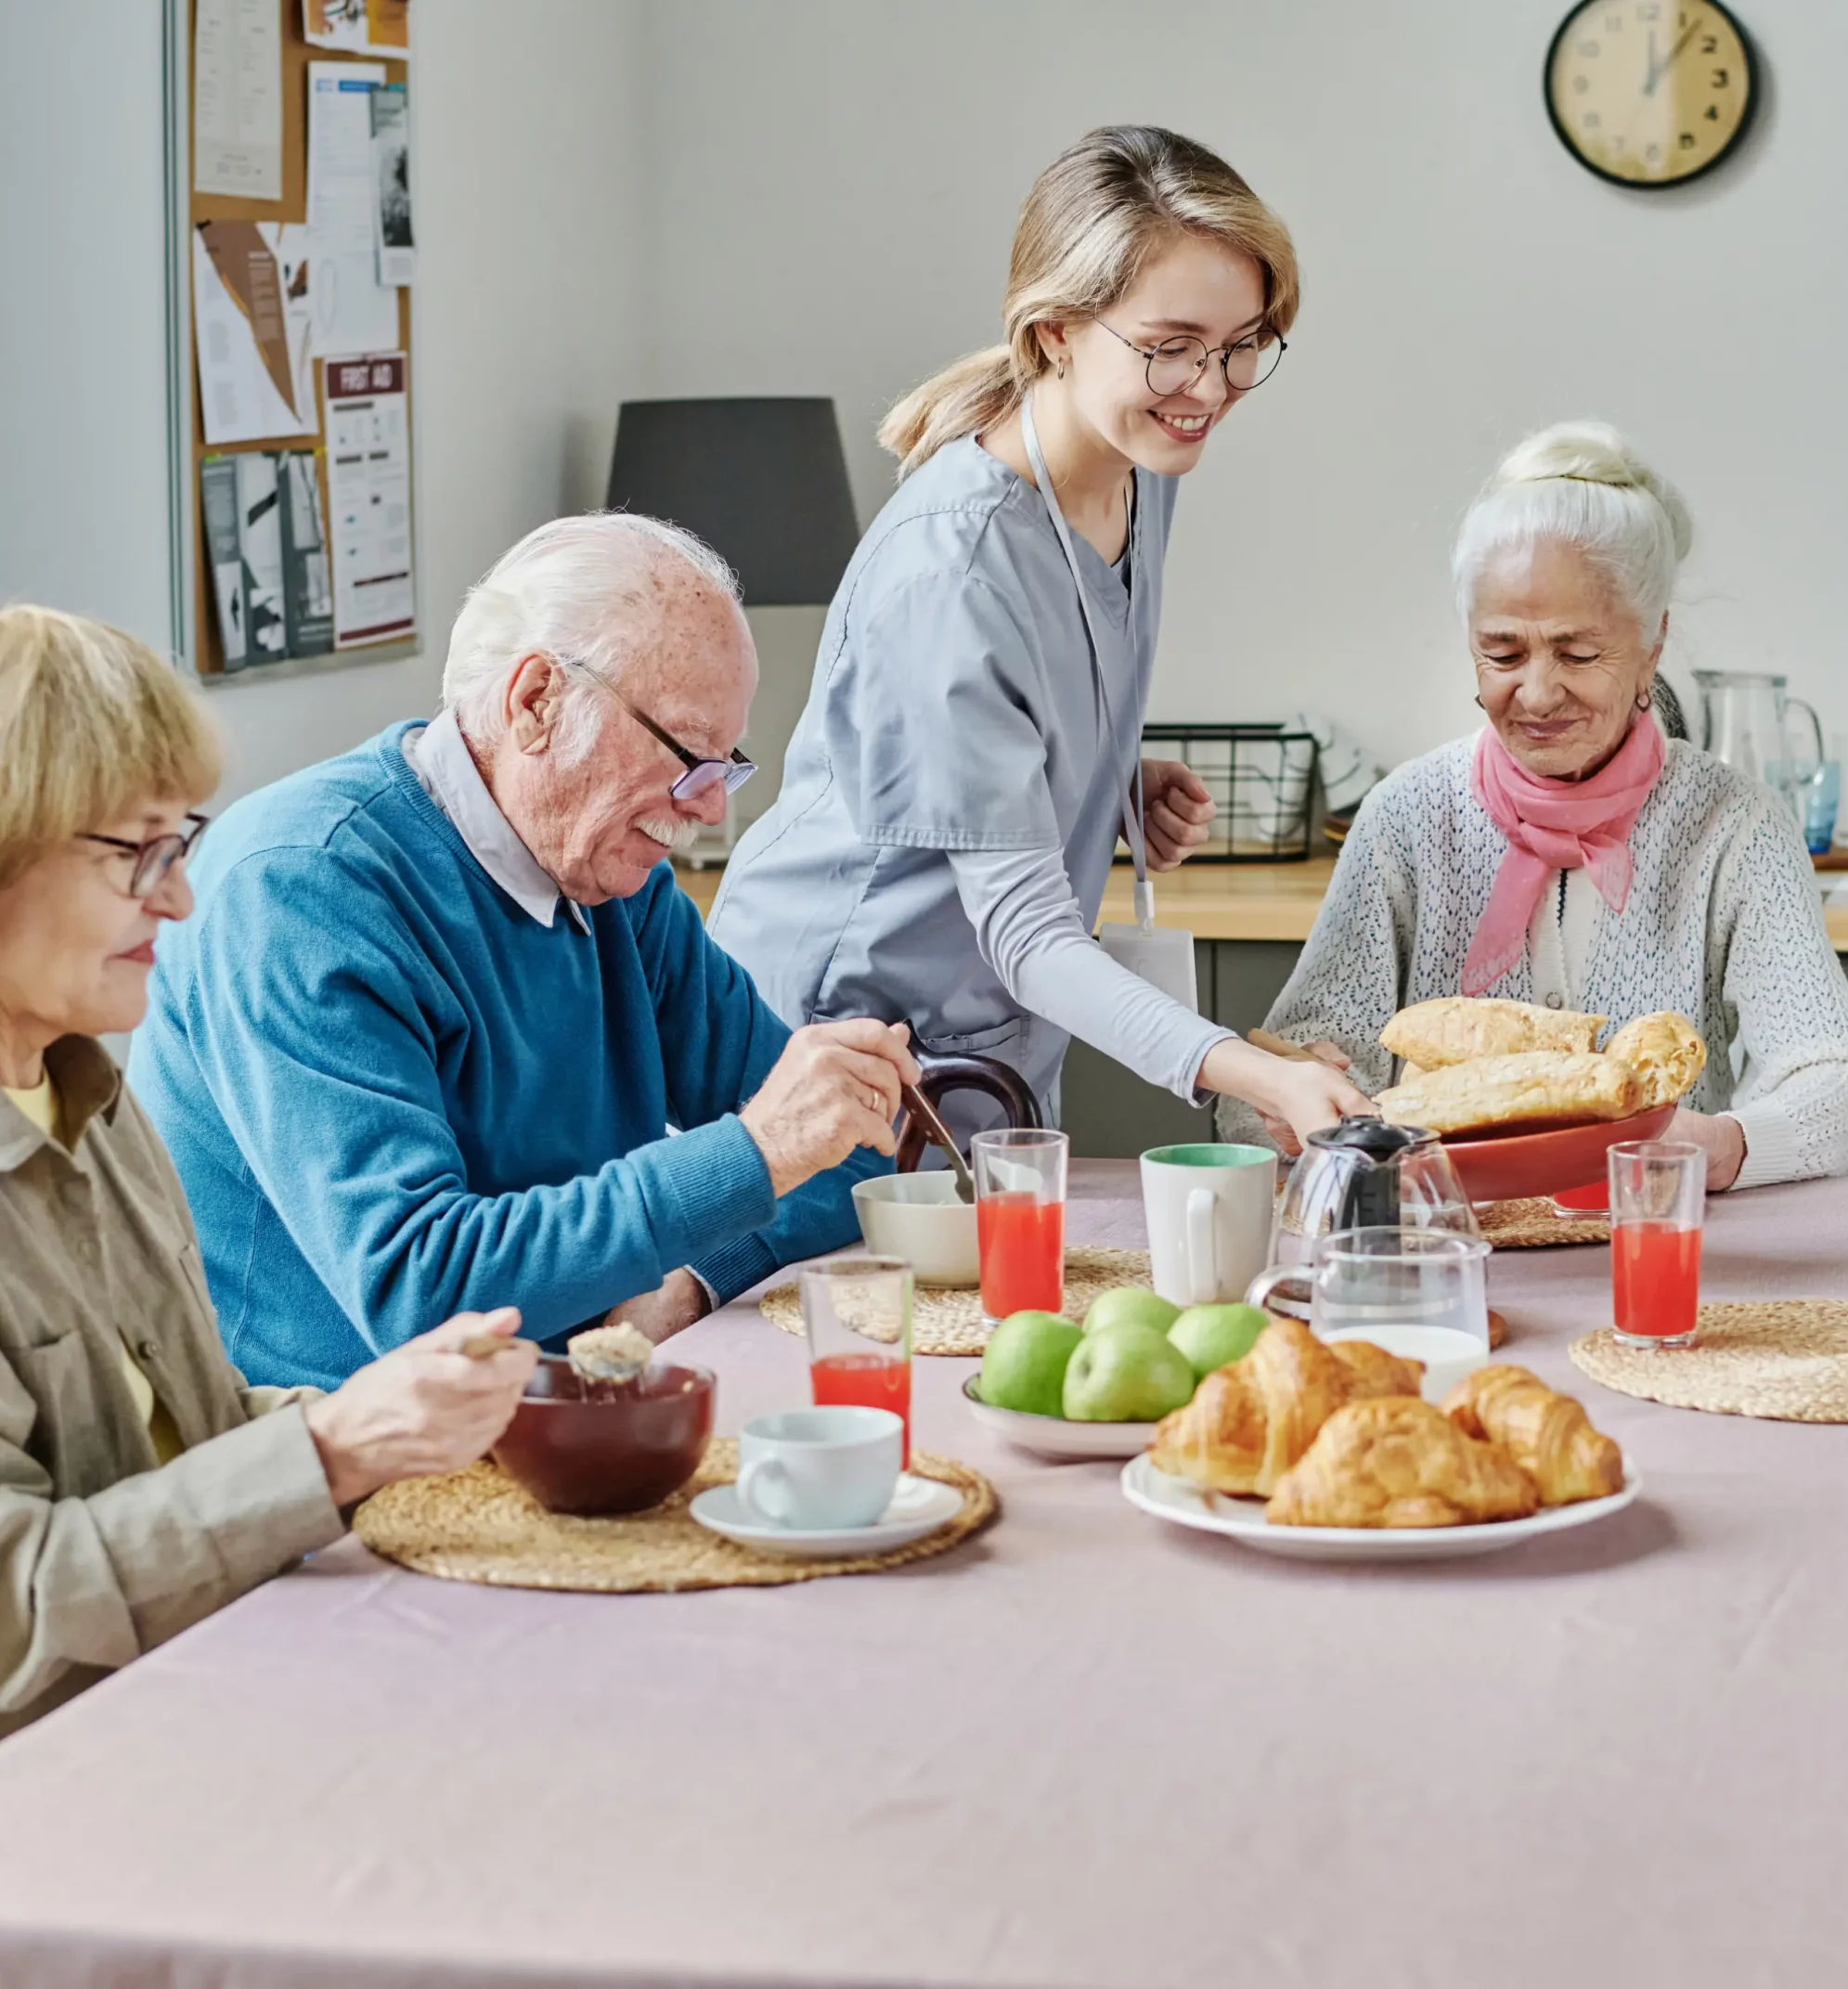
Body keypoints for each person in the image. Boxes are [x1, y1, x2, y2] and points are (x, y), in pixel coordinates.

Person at [131, 515, 918, 1390]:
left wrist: (692, 1279)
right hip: (343, 1460)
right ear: (536, 700)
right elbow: (424, 1294)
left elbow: (851, 1143)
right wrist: (756, 1155)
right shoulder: (300, 893)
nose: (709, 812)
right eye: (686, 755)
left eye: (722, 767)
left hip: (575, 1409)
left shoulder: (618, 883)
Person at [707, 125, 1366, 1151]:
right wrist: (1249, 1071)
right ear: (1056, 331)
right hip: (831, 1036)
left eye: (1243, 343)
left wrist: (1096, 782)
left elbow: (1010, 709)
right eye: (1171, 347)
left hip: (985, 1048)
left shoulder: (1139, 472)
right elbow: (1023, 933)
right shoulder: (953, 567)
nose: (1213, 387)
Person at [0, 605, 536, 1733]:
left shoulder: (93, 1097)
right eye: (133, 850)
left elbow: (183, 1429)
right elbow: (25, 1606)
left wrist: (425, 1421)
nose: (180, 897)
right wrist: (334, 1446)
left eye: (177, 842)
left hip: (210, 1677)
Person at [1221, 423, 1848, 1190]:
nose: (1535, 693)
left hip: (1650, 1240)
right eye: (1502, 653)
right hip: (1446, 1249)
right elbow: (1256, 1097)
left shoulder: (1734, 827)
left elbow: (1840, 1091)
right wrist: (1284, 1102)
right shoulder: (1406, 817)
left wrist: (1713, 1144)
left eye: (1577, 652)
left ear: (1653, 644)